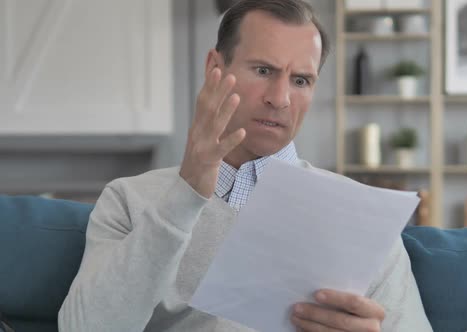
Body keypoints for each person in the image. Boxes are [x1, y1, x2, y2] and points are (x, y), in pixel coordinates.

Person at [58, 0, 432, 331]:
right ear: (214, 67)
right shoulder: (129, 199)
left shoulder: (361, 217)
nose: (280, 99)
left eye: (300, 80)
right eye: (264, 71)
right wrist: (186, 192)